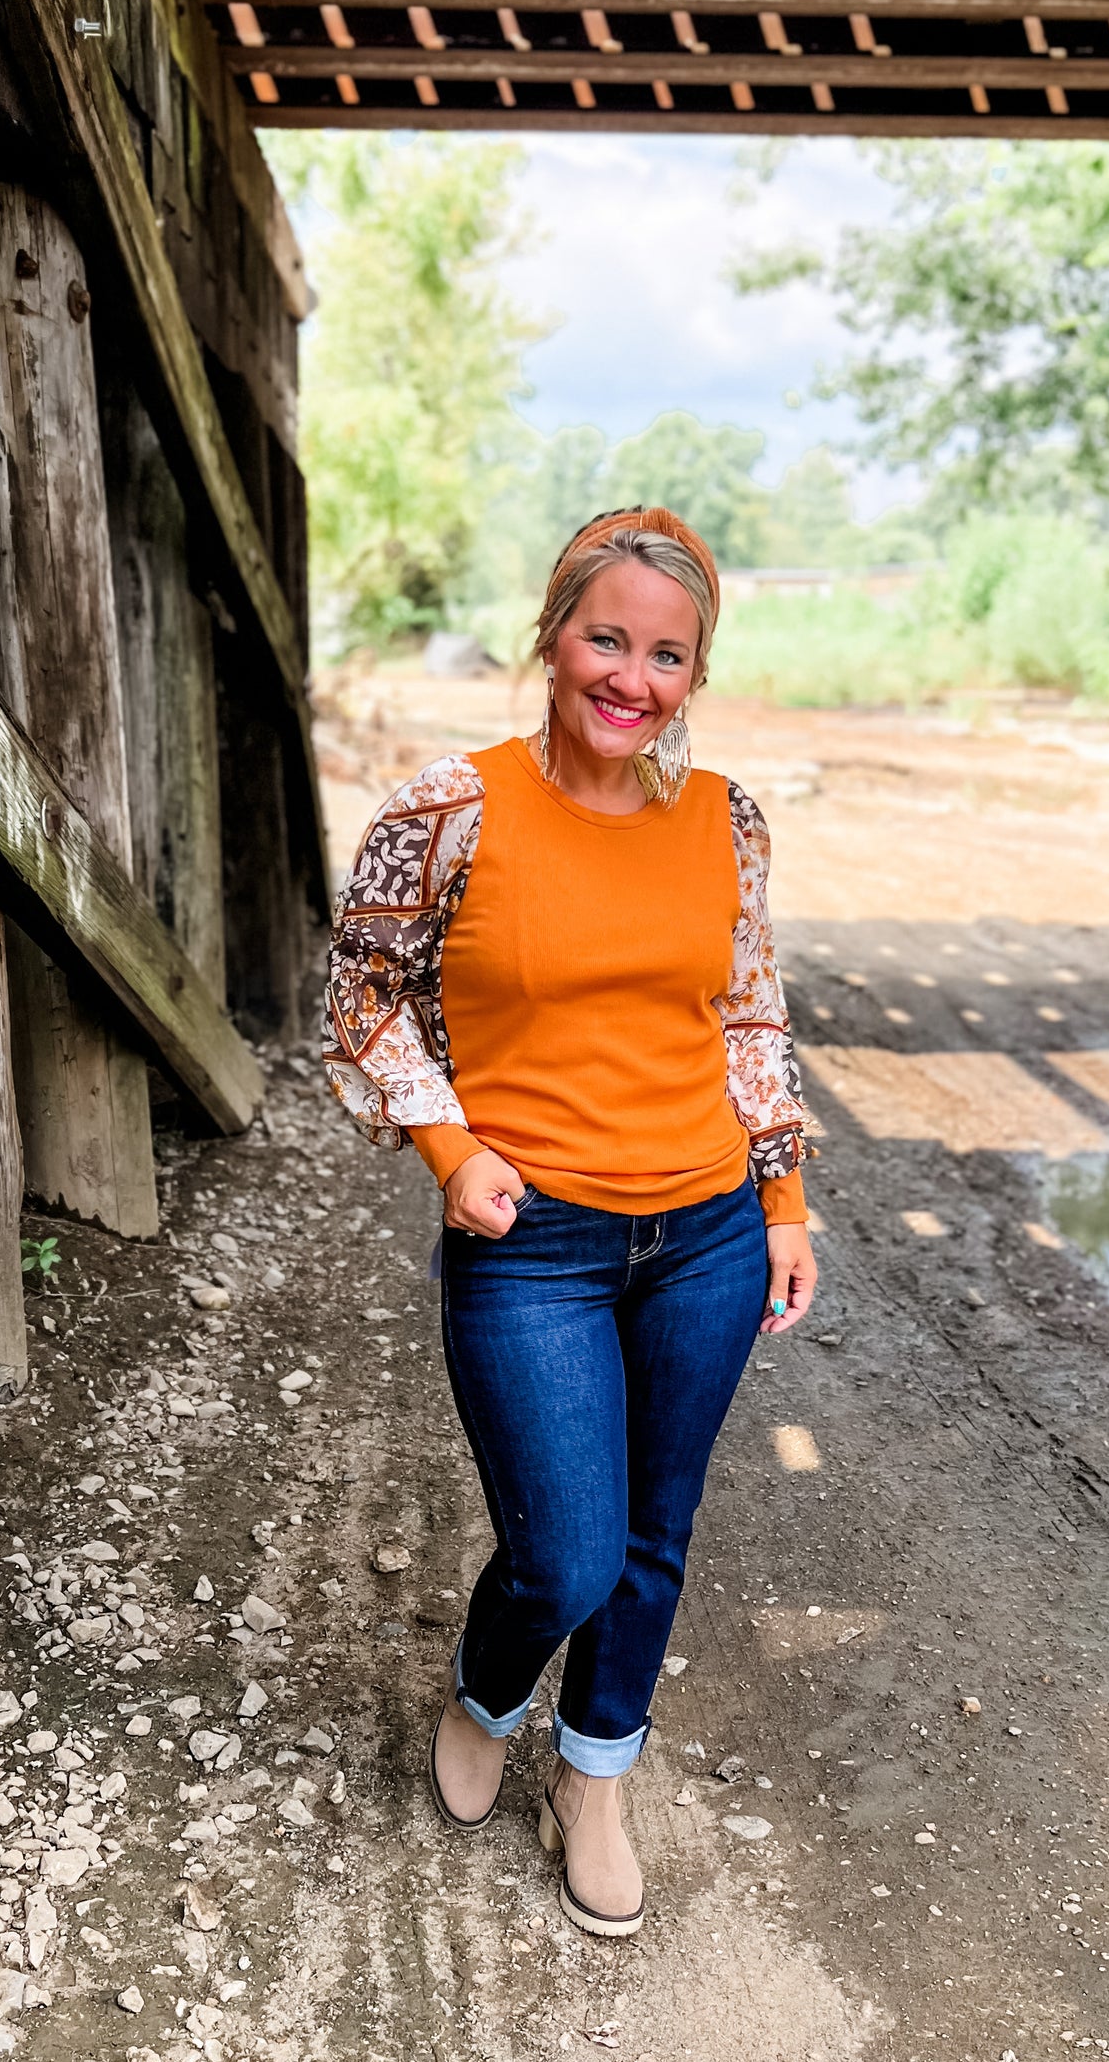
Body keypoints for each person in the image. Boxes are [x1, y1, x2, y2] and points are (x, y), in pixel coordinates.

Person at [322, 506, 816, 1937]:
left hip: (707, 1233)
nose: (632, 679)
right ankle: (486, 1694)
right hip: (531, 1243)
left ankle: (594, 1779)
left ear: (694, 674)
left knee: (658, 1532)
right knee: (566, 1552)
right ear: (552, 638)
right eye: (608, 639)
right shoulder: (450, 809)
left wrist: (782, 1199)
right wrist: (448, 1145)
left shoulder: (726, 820)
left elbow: (750, 1017)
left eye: (668, 656)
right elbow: (361, 997)